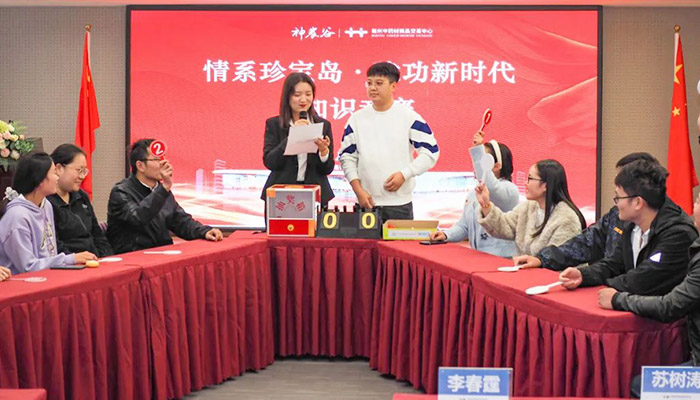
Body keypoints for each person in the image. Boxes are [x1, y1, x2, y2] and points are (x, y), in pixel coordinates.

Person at [559, 160, 697, 295]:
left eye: (618, 197)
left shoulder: (679, 234)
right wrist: (583, 275)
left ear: (637, 202)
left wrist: (608, 288)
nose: (616, 204)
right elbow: (614, 264)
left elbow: (643, 281)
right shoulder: (631, 225)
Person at [512, 152, 660, 270]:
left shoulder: (666, 228)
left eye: (621, 181)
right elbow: (585, 243)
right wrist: (542, 259)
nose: (615, 187)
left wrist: (617, 295)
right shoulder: (615, 216)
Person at [339, 62, 439, 221]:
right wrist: (358, 191)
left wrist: (405, 174)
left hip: (399, 205)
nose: (372, 88)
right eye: (369, 83)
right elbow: (347, 157)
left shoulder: (409, 117)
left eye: (379, 83)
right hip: (366, 202)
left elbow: (431, 152)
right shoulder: (356, 119)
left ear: (393, 86)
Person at [106, 139, 223, 254]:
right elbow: (138, 218)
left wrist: (204, 231)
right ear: (140, 166)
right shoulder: (121, 192)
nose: (164, 164)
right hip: (133, 256)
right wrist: (164, 188)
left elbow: (181, 221)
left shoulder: (161, 191)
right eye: (157, 160)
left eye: (164, 158)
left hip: (162, 254)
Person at [0, 152, 97, 274]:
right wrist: (70, 259)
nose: (57, 178)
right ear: (40, 179)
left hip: (49, 277)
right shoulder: (17, 217)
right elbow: (28, 267)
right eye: (54, 173)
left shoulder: (46, 205)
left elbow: (51, 252)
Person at [429, 135, 519, 257]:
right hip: (478, 258)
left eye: (483, 160)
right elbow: (464, 226)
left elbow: (491, 187)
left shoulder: (509, 190)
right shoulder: (473, 194)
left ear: (497, 166)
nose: (476, 166)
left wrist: (478, 149)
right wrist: (446, 235)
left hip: (503, 259)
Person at [475, 159, 586, 256]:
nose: (525, 183)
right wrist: (485, 204)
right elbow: (504, 226)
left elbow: (557, 259)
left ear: (545, 185)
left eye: (530, 178)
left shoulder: (567, 219)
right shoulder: (528, 207)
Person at [261, 72, 334, 206]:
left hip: (315, 195)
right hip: (281, 196)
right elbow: (270, 162)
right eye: (297, 95)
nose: (303, 99)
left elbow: (327, 169)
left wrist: (324, 152)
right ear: (287, 96)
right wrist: (292, 137)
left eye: (308, 94)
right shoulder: (274, 124)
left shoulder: (323, 125)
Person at [47, 144, 114, 257]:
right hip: (70, 262)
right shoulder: (47, 202)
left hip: (94, 259)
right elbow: (54, 244)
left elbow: (97, 234)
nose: (82, 176)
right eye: (79, 170)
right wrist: (73, 260)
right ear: (58, 169)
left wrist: (108, 258)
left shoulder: (81, 196)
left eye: (84, 171)